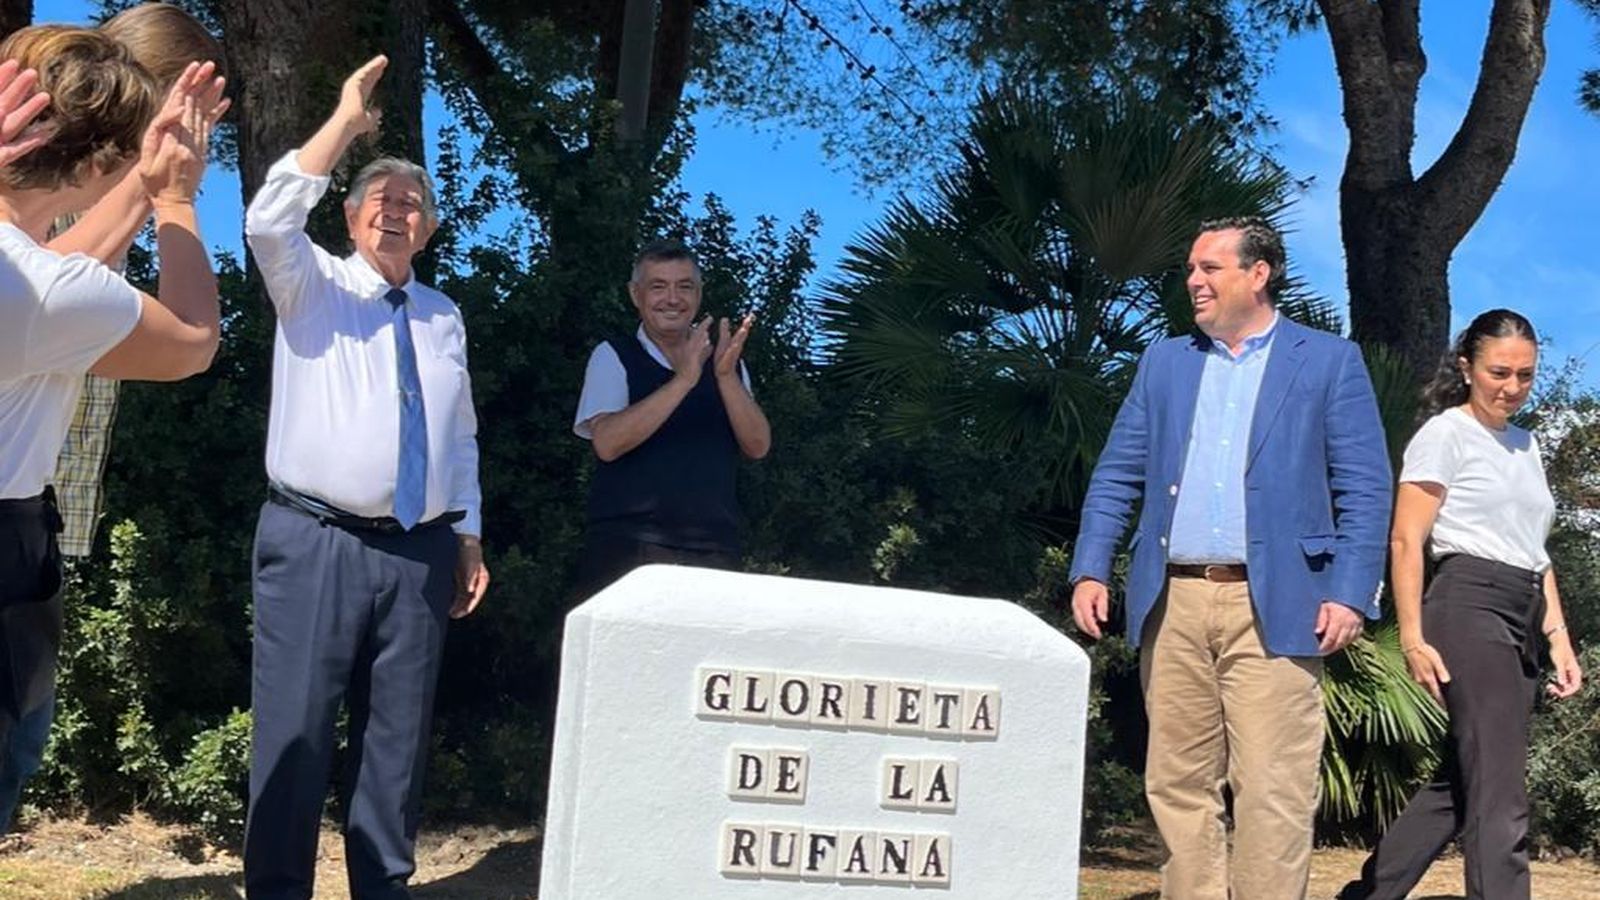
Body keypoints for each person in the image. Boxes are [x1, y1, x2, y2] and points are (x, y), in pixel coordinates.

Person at [1069, 216, 1393, 899]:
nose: (1193, 280)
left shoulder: (1329, 361)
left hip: (1278, 602)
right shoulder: (1164, 361)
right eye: (1191, 268)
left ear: (1258, 273)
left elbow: (1365, 487)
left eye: (1209, 267)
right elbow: (1118, 472)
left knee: (1273, 784)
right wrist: (1092, 565)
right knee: (1176, 783)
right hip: (1173, 600)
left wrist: (1350, 590)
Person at [242, 55, 488, 899]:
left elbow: (459, 433)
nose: (396, 211)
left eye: (411, 204)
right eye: (379, 201)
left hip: (418, 552)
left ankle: (381, 888)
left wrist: (466, 530)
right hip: (314, 540)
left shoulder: (443, 315)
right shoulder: (311, 285)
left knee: (396, 747)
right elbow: (270, 220)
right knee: (295, 736)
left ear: (428, 228)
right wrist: (346, 121)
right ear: (348, 218)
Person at [0, 27, 225, 832]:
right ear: (100, 162)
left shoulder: (31, 282)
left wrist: (142, 181)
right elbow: (193, 340)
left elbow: (58, 281)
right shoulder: (40, 293)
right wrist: (172, 197)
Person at [1337, 310, 1584, 900]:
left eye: (1525, 375)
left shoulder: (1525, 445)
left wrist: (1558, 637)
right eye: (1500, 371)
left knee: (1463, 782)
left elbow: (1534, 551)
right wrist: (1415, 637)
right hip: (1467, 605)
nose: (1512, 387)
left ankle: (1367, 895)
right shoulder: (1445, 434)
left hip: (1521, 609)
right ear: (1466, 366)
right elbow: (1405, 540)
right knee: (1502, 790)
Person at [51, 3, 228, 561]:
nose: (202, 137)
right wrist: (170, 194)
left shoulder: (103, 206)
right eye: (195, 113)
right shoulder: (47, 191)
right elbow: (189, 343)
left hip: (40, 528)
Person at [572, 240, 771, 597]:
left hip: (715, 551)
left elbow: (757, 445)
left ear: (698, 294)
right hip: (629, 549)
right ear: (636, 295)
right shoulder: (613, 356)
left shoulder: (727, 363)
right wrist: (684, 381)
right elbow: (607, 443)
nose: (672, 299)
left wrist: (724, 376)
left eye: (684, 286)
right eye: (658, 286)